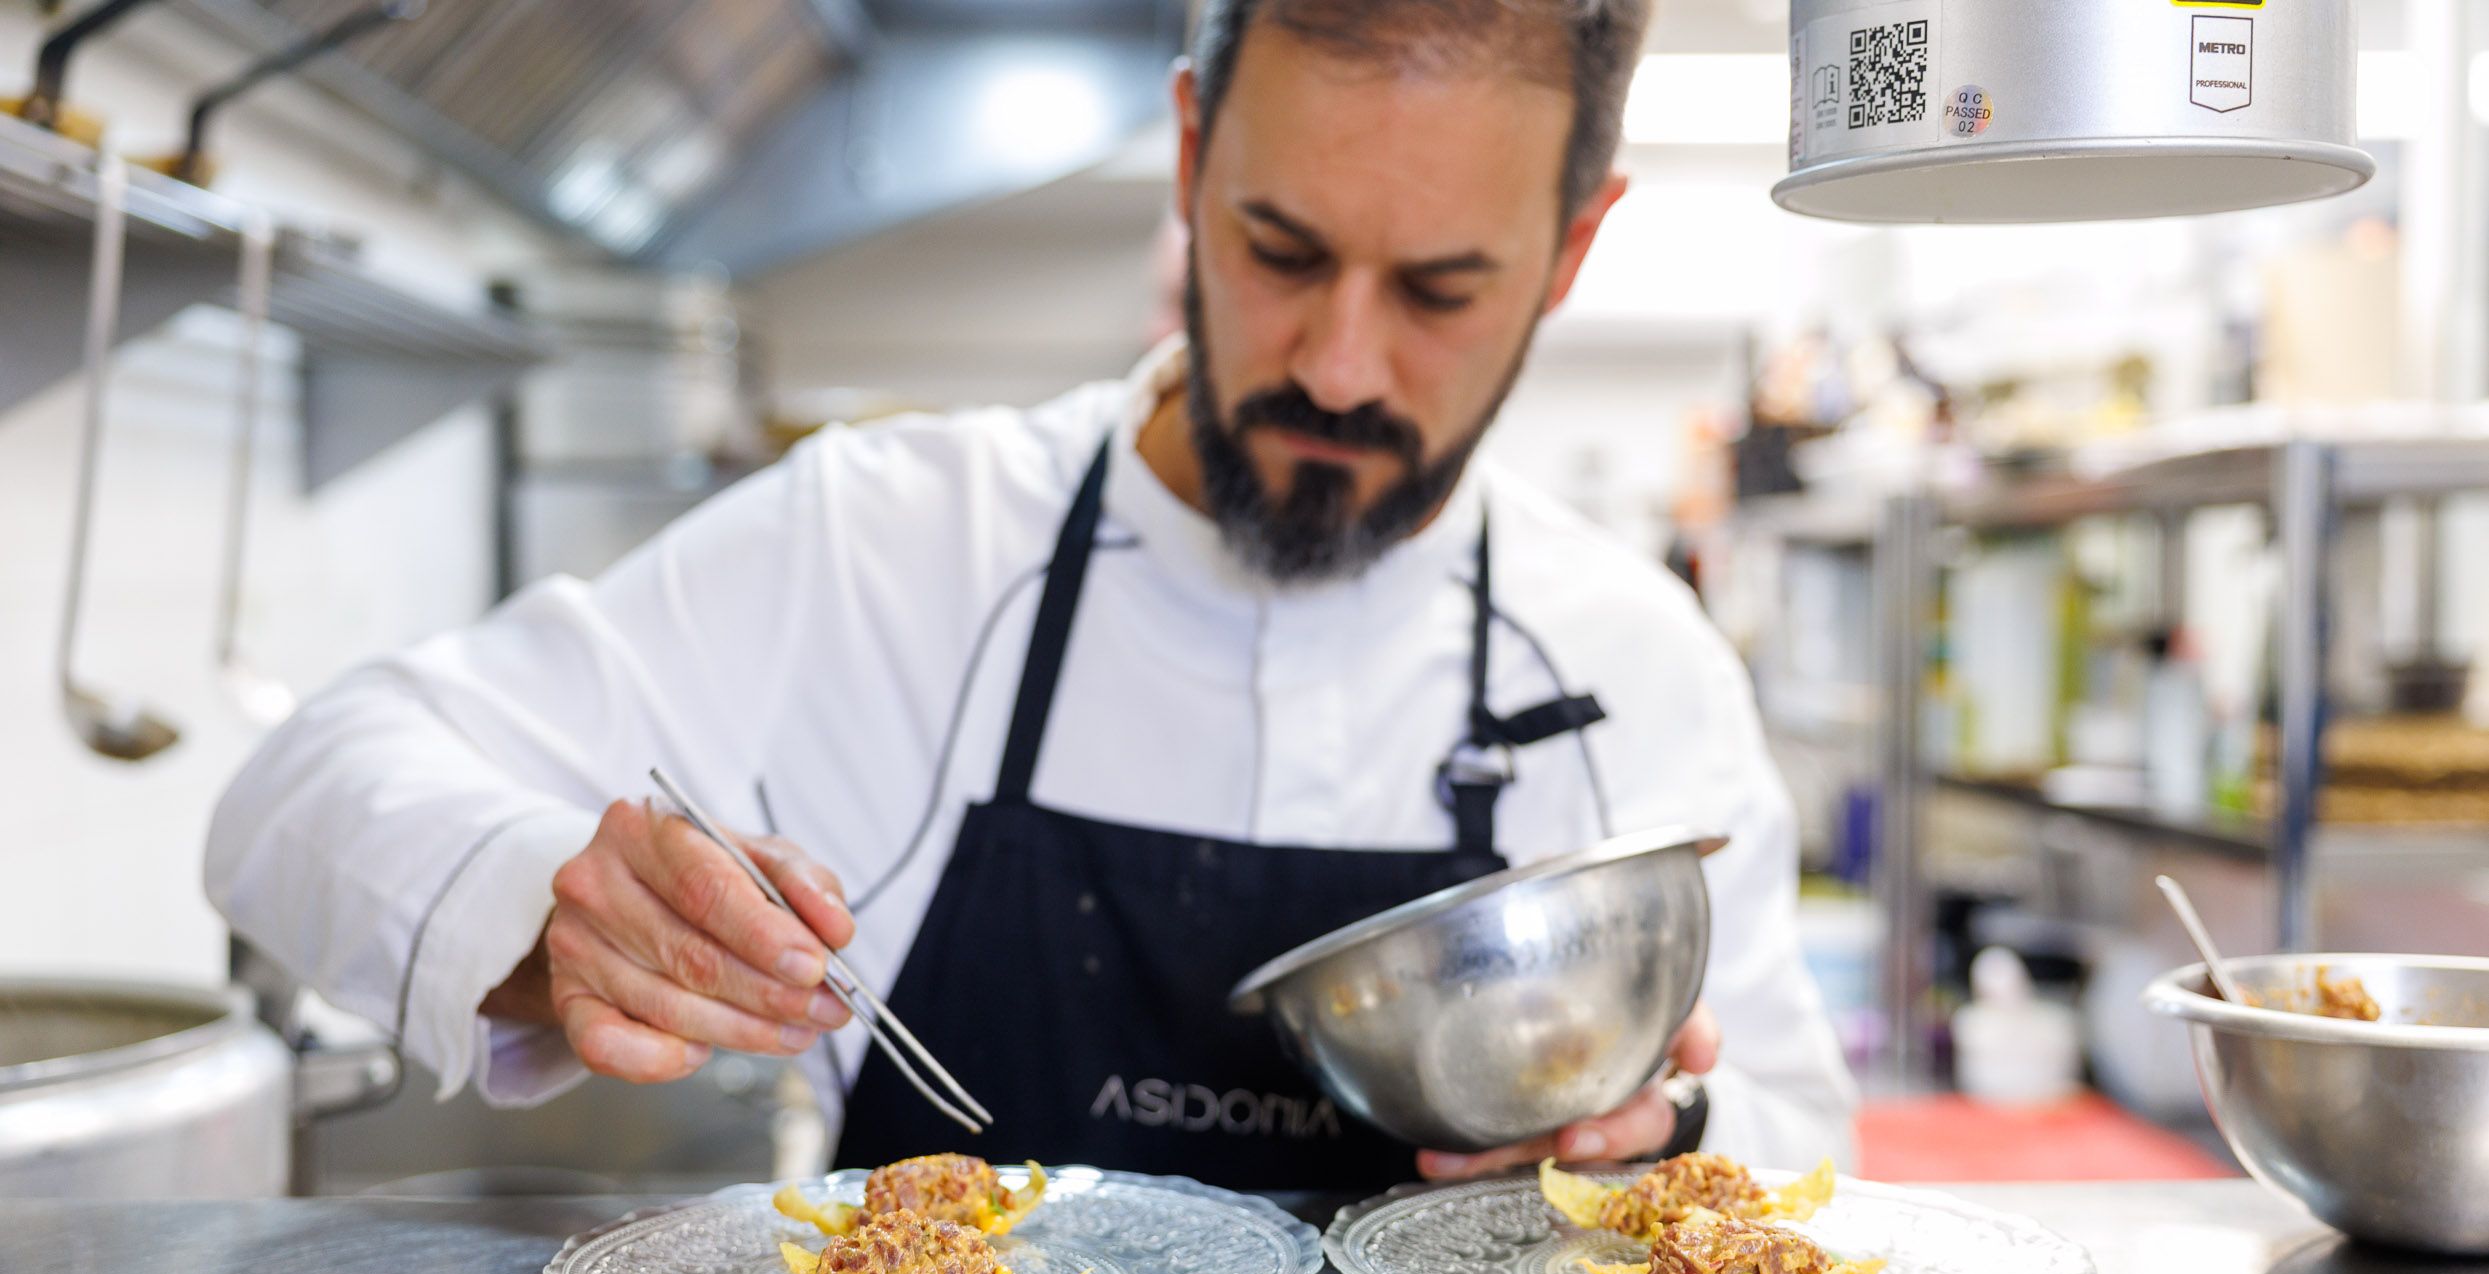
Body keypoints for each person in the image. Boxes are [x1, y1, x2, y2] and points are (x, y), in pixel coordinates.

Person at [207, 0, 1856, 1189]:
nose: (1341, 366)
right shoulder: (883, 546)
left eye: (1440, 289)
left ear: (1570, 250)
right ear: (1195, 155)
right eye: (1280, 250)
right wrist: (551, 908)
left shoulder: (1638, 660)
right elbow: (296, 795)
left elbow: (1798, 1139)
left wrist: (1671, 1141)